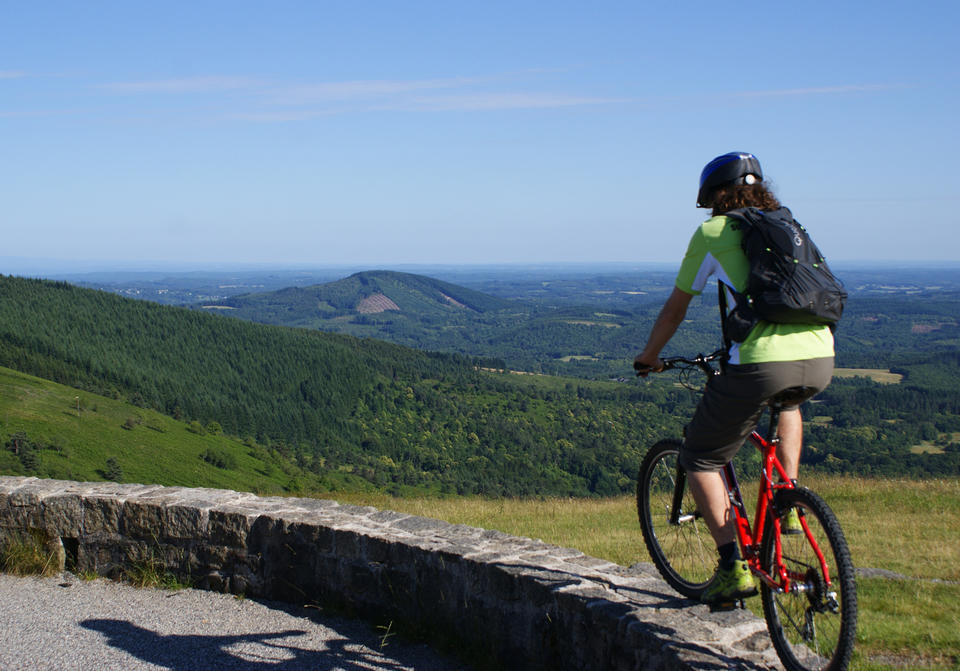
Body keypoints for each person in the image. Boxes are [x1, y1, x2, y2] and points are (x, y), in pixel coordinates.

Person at [633, 152, 835, 605]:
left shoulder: (714, 232)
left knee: (700, 457)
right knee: (788, 406)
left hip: (761, 362)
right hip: (821, 353)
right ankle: (788, 504)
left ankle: (732, 567)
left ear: (715, 197)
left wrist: (650, 356)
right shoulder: (789, 227)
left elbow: (676, 308)